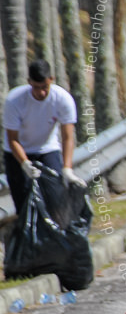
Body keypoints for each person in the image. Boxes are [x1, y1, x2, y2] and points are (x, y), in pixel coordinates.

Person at [3, 60, 87, 217]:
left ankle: (55, 237)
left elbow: (68, 137)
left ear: (51, 80)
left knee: (56, 200)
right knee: (24, 204)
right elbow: (12, 139)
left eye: (44, 87)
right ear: (29, 83)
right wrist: (25, 164)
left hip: (47, 148)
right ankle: (29, 239)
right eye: (36, 87)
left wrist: (67, 169)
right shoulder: (15, 100)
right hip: (17, 153)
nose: (41, 93)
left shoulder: (62, 99)